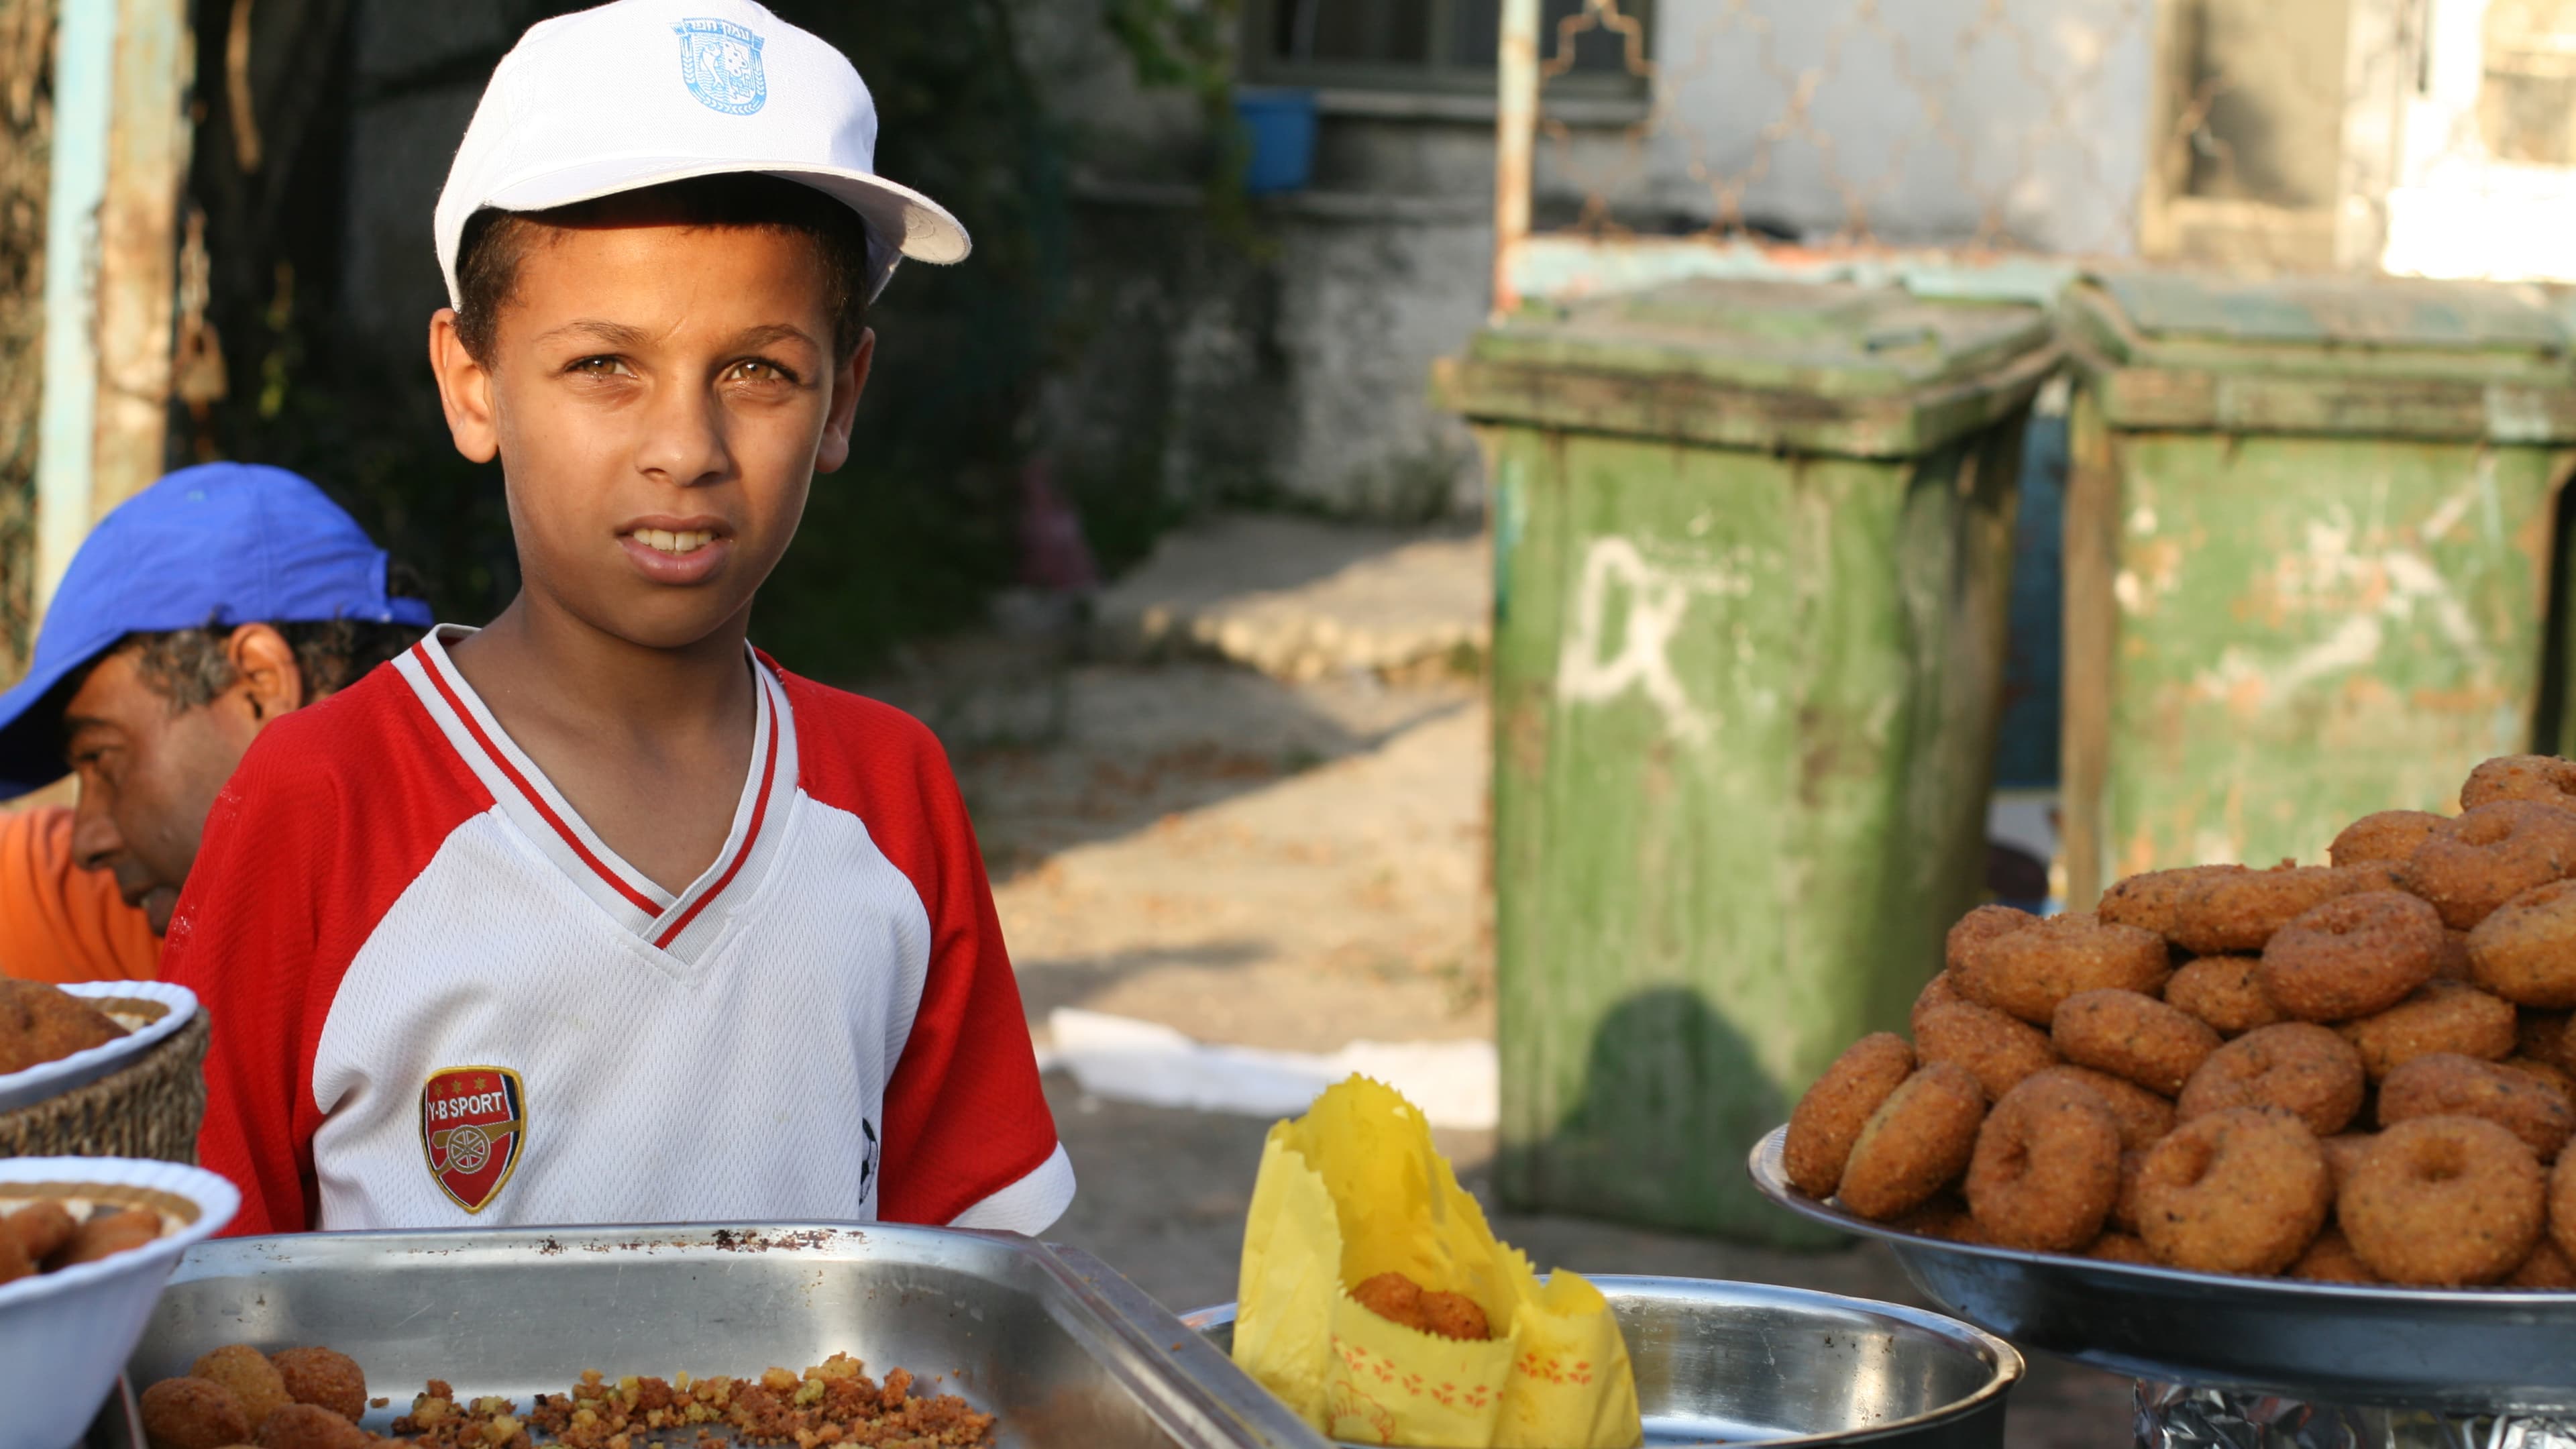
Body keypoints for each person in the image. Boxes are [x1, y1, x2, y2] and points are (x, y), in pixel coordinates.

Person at [162, 0, 1072, 1239]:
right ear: (473, 384)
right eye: (603, 367)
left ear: (845, 397)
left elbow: (973, 1288)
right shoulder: (322, 800)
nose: (684, 449)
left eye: (758, 370)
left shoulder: (889, 795)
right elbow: (200, 1317)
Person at [0, 464, 432, 982]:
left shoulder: (514, 932)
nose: (86, 842)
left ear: (258, 684)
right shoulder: (162, 910)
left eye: (102, 758)